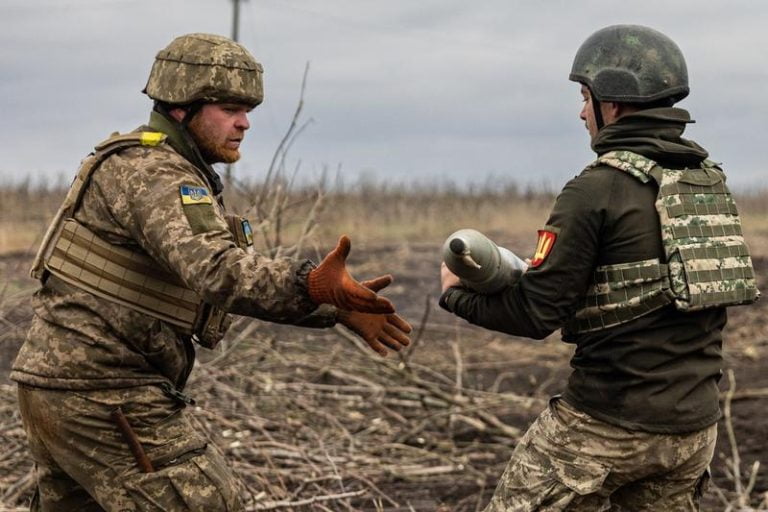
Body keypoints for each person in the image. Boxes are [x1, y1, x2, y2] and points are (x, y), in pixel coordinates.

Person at [12, 33, 412, 511]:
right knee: (207, 501)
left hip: (67, 386)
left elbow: (191, 288)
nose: (244, 123)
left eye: (248, 111)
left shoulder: (158, 168)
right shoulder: (154, 174)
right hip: (103, 392)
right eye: (228, 108)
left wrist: (332, 306)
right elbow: (218, 271)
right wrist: (310, 283)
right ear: (181, 106)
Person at [440, 24, 759, 511]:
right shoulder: (708, 185)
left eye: (585, 97)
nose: (581, 111)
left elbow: (535, 314)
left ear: (612, 103)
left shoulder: (595, 189)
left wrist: (455, 293)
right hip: (693, 433)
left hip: (605, 428)